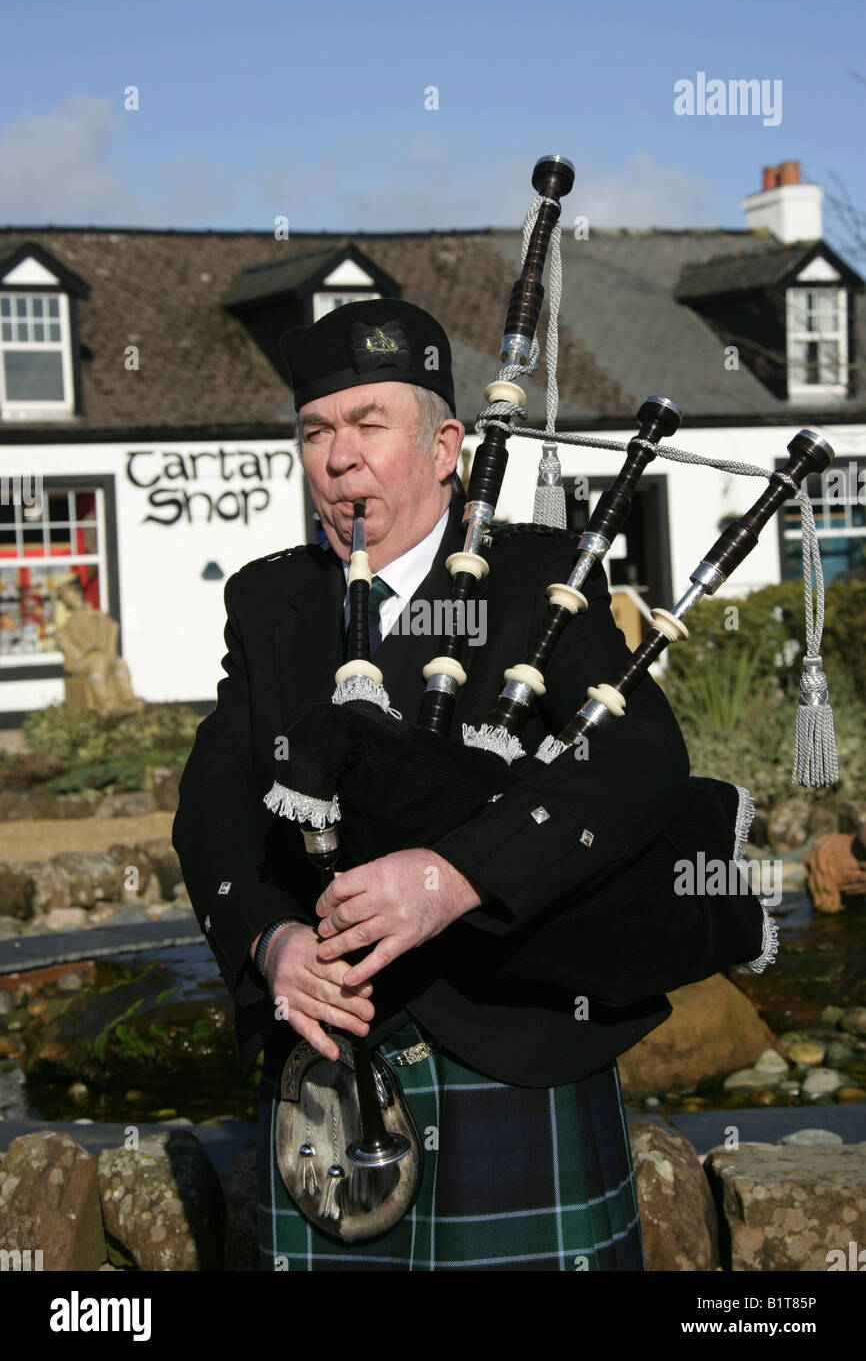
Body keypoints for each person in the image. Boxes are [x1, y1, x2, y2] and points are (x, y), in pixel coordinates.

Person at [172, 298, 759, 1272]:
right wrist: (268, 943)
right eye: (315, 430)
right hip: (328, 1083)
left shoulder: (538, 574)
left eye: (368, 424)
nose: (336, 456)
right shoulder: (270, 598)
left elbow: (637, 756)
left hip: (513, 1054)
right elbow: (214, 804)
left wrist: (451, 876)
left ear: (445, 445)